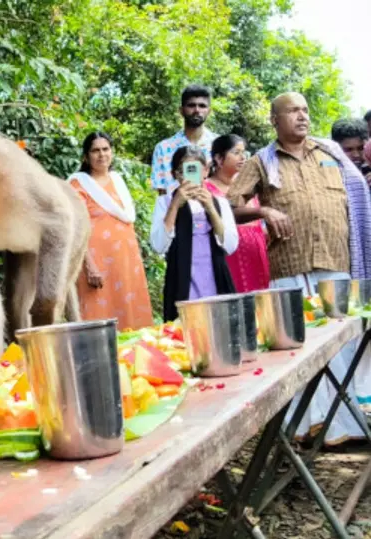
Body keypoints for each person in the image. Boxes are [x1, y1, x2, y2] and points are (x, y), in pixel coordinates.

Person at [227, 91, 371, 445]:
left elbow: (358, 197)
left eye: (305, 110)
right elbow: (230, 204)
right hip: (290, 267)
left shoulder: (331, 153)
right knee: (296, 349)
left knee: (341, 346)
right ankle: (303, 426)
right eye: (292, 111)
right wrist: (263, 211)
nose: (302, 116)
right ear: (275, 120)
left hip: (336, 261)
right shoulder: (262, 161)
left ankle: (344, 427)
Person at [68, 132, 154, 331]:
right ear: (86, 156)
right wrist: (89, 266)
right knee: (98, 313)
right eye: (95, 151)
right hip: (96, 262)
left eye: (105, 149)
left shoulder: (118, 180)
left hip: (126, 260)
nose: (101, 155)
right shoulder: (77, 184)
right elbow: (75, 227)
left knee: (131, 310)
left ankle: (135, 358)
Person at [150, 145, 238, 322]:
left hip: (214, 275)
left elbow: (230, 246)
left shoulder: (219, 202)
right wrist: (175, 205)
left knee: (219, 325)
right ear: (175, 174)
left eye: (194, 169)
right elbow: (158, 245)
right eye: (183, 171)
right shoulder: (165, 202)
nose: (189, 176)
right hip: (182, 277)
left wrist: (211, 209)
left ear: (205, 171)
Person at [204, 134, 270, 293]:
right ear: (219, 159)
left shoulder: (248, 188)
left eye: (244, 153)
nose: (243, 157)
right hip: (228, 256)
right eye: (236, 152)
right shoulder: (206, 189)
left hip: (257, 254)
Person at [150, 85, 218, 194]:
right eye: (191, 105)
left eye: (202, 106)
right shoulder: (163, 148)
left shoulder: (219, 146)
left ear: (209, 111)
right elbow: (162, 193)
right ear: (181, 110)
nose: (197, 110)